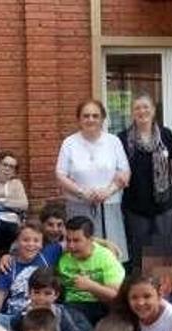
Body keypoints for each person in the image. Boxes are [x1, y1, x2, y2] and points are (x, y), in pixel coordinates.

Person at [56, 99, 130, 263]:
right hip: (79, 205)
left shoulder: (113, 141)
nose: (91, 119)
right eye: (86, 116)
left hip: (109, 204)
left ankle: (112, 287)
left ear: (103, 119)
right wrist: (83, 192)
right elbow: (60, 175)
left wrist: (108, 191)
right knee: (81, 253)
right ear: (79, 119)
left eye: (95, 116)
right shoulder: (69, 143)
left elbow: (125, 172)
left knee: (111, 254)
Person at [119, 95, 172, 265]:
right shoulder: (122, 138)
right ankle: (143, 289)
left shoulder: (165, 134)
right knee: (140, 254)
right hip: (136, 206)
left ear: (154, 111)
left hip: (164, 205)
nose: (142, 111)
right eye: (137, 108)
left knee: (164, 251)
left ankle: (163, 289)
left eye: (146, 107)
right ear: (132, 113)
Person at [8, 267, 89, 331]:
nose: (41, 298)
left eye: (47, 293)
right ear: (29, 292)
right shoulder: (22, 317)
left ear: (56, 295)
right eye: (37, 292)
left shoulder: (60, 314)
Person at [58, 215, 126, 326]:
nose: (71, 246)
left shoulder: (106, 257)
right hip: (73, 305)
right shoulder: (61, 254)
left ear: (90, 239)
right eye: (68, 240)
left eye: (76, 240)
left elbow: (115, 295)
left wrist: (90, 286)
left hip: (102, 304)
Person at [0, 221, 60, 317]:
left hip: (44, 316)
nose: (31, 244)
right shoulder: (7, 266)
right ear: (17, 242)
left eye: (36, 240)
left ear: (42, 244)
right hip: (14, 319)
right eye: (25, 240)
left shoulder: (49, 254)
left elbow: (74, 240)